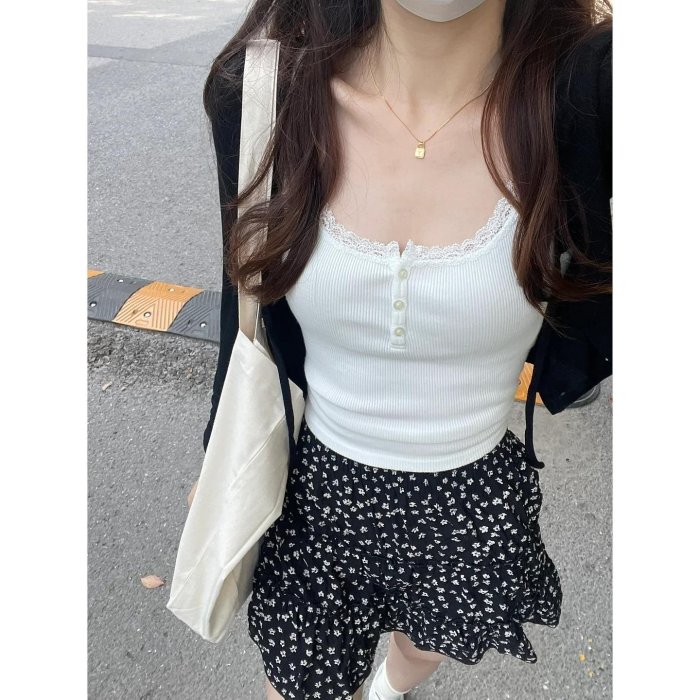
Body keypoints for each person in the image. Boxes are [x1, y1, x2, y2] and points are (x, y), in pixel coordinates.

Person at [197, 1, 613, 698]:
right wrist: (218, 444)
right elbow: (238, 298)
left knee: (425, 647)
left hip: (470, 501)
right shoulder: (267, 98)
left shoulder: (581, 107)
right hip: (318, 501)